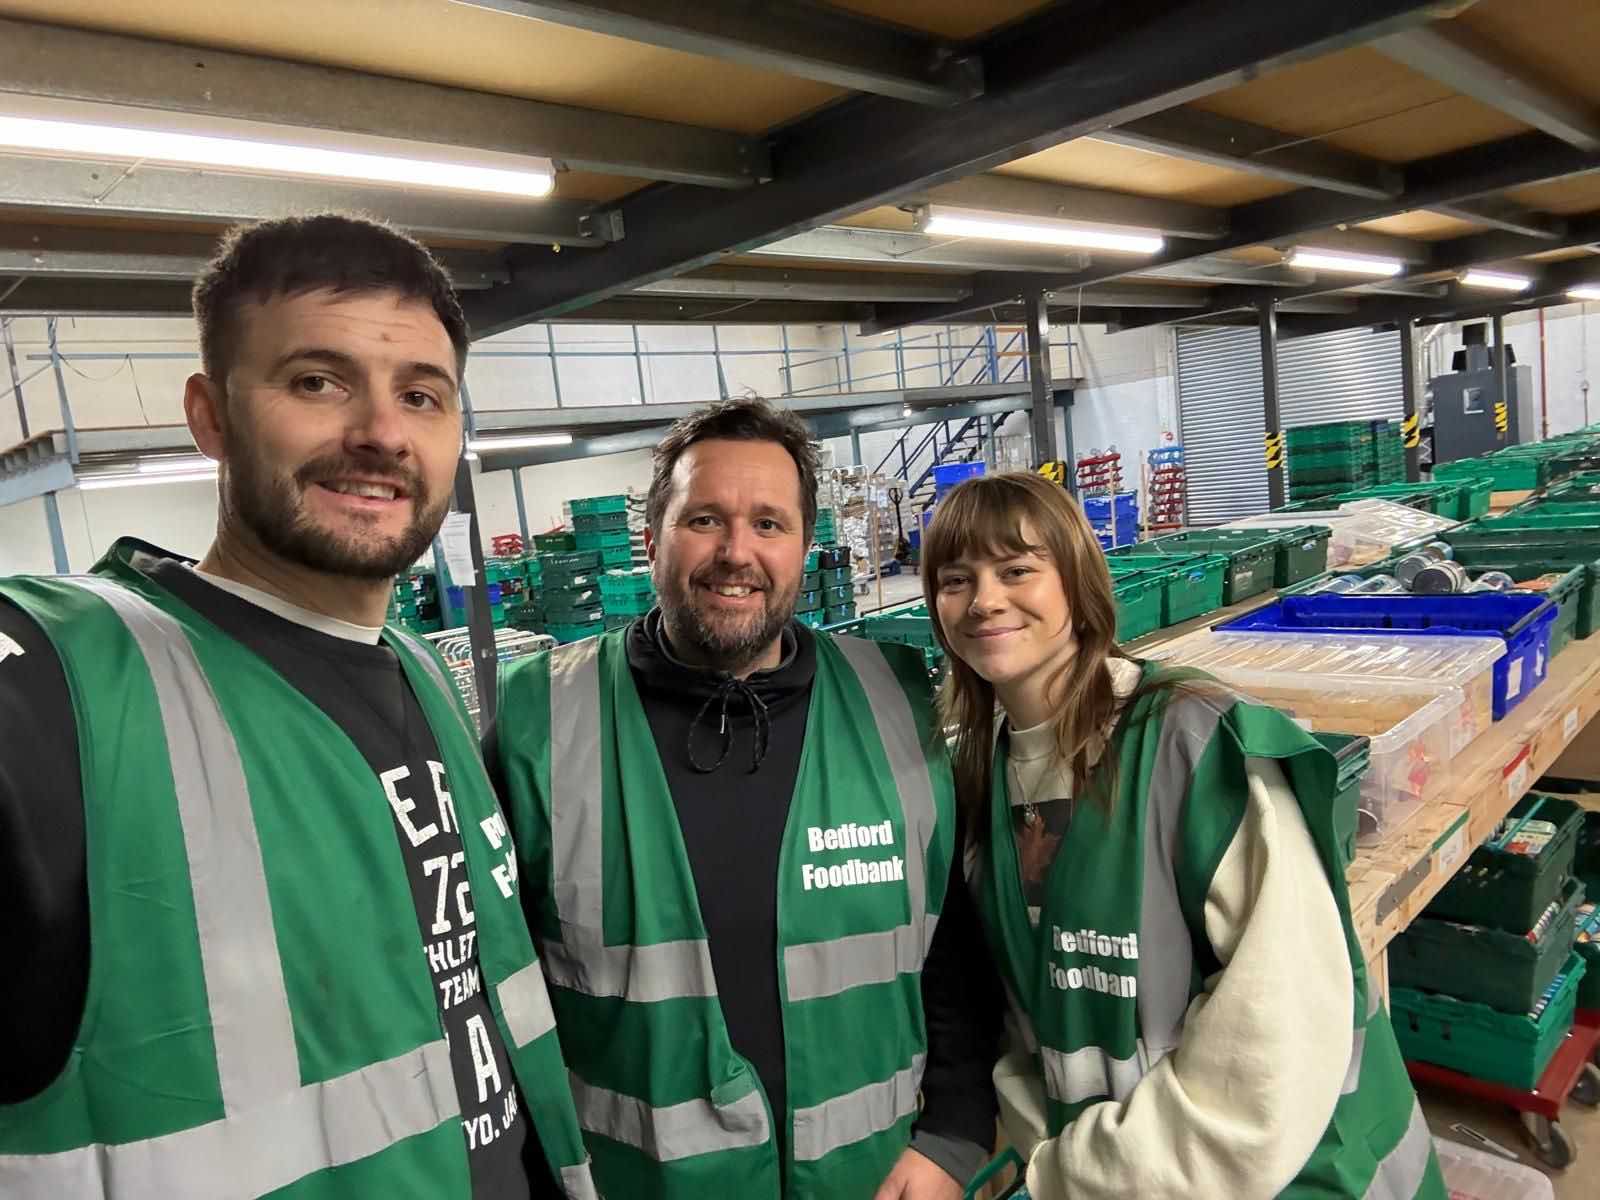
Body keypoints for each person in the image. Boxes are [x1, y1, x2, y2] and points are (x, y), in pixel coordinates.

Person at [0, 214, 596, 1200]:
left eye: (421, 395)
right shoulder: (64, 680)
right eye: (317, 382)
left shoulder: (418, 669)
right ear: (211, 416)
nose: (382, 433)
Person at [486, 397, 1002, 1200]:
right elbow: (491, 990)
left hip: (873, 1182)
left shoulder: (896, 702)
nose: (736, 553)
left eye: (768, 523)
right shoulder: (540, 720)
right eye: (704, 521)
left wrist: (954, 1138)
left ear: (804, 544)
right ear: (652, 537)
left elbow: (952, 949)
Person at [920, 471, 1445, 1200]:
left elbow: (1275, 1034)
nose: (984, 600)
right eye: (956, 579)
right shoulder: (975, 779)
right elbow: (1020, 1021)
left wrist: (1071, 1174)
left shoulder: (1194, 744)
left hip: (1301, 1176)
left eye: (1016, 571)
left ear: (1076, 582)